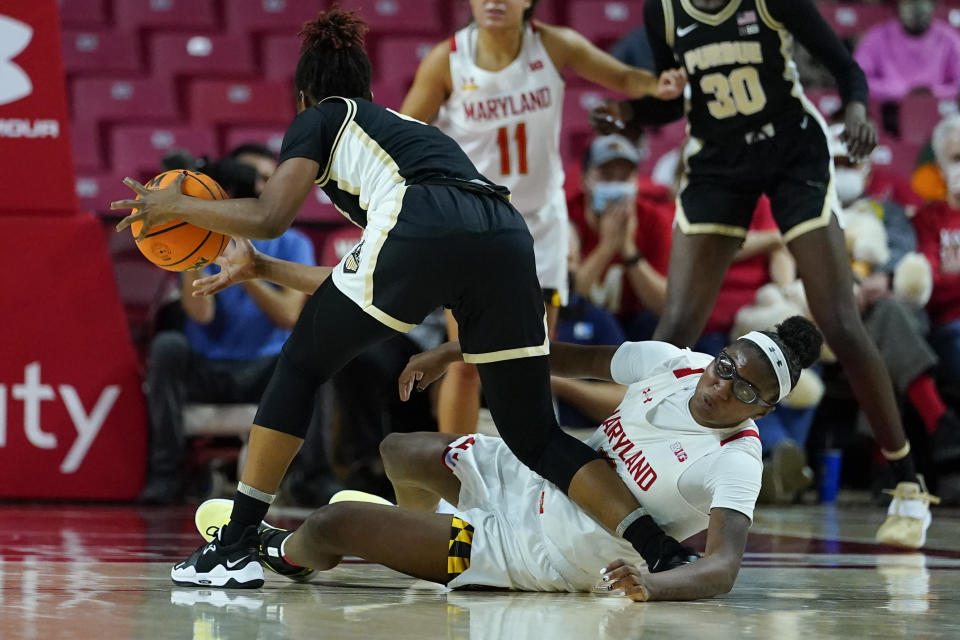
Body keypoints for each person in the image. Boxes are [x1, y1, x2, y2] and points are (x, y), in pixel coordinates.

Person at [111, 8, 691, 588]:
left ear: (305, 95)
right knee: (536, 435)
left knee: (300, 364)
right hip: (507, 230)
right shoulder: (411, 139)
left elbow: (269, 214)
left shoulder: (323, 116)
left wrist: (177, 207)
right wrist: (263, 268)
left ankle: (232, 549)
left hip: (426, 224)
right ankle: (661, 548)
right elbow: (367, 278)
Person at [591, 0, 937, 548]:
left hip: (791, 151)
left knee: (840, 324)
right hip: (717, 160)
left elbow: (845, 69)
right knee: (675, 326)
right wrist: (632, 112)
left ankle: (908, 487)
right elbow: (673, 96)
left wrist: (857, 113)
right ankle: (615, 471)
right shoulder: (663, 9)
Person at [196, 316, 824, 600]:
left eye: (745, 391)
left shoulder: (737, 460)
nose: (721, 388)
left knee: (331, 526)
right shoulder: (675, 362)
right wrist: (455, 352)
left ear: (764, 410)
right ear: (717, 356)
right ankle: (415, 540)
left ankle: (278, 553)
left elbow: (723, 566)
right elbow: (552, 355)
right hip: (537, 475)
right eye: (726, 368)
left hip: (544, 547)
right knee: (400, 450)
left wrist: (653, 586)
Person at [399, 0, 685, 435]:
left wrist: (657, 84)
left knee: (533, 358)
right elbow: (404, 135)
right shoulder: (448, 60)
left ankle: (532, 473)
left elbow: (624, 77)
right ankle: (449, 476)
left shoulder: (553, 45)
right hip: (474, 223)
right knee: (465, 358)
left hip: (540, 225)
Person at [137, 146, 319, 504]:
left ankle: (314, 478)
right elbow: (200, 314)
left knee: (316, 355)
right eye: (253, 179)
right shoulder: (201, 237)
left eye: (268, 180)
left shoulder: (294, 242)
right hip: (209, 368)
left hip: (266, 370)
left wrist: (247, 269)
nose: (261, 187)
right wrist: (191, 239)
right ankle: (166, 476)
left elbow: (287, 316)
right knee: (167, 347)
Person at [854, 0, 960, 104]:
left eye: (921, 4)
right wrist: (897, 91)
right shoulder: (878, 36)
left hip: (940, 110)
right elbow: (856, 78)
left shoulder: (949, 37)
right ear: (899, 6)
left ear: (933, 6)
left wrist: (936, 92)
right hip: (888, 109)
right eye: (909, 3)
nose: (915, 11)